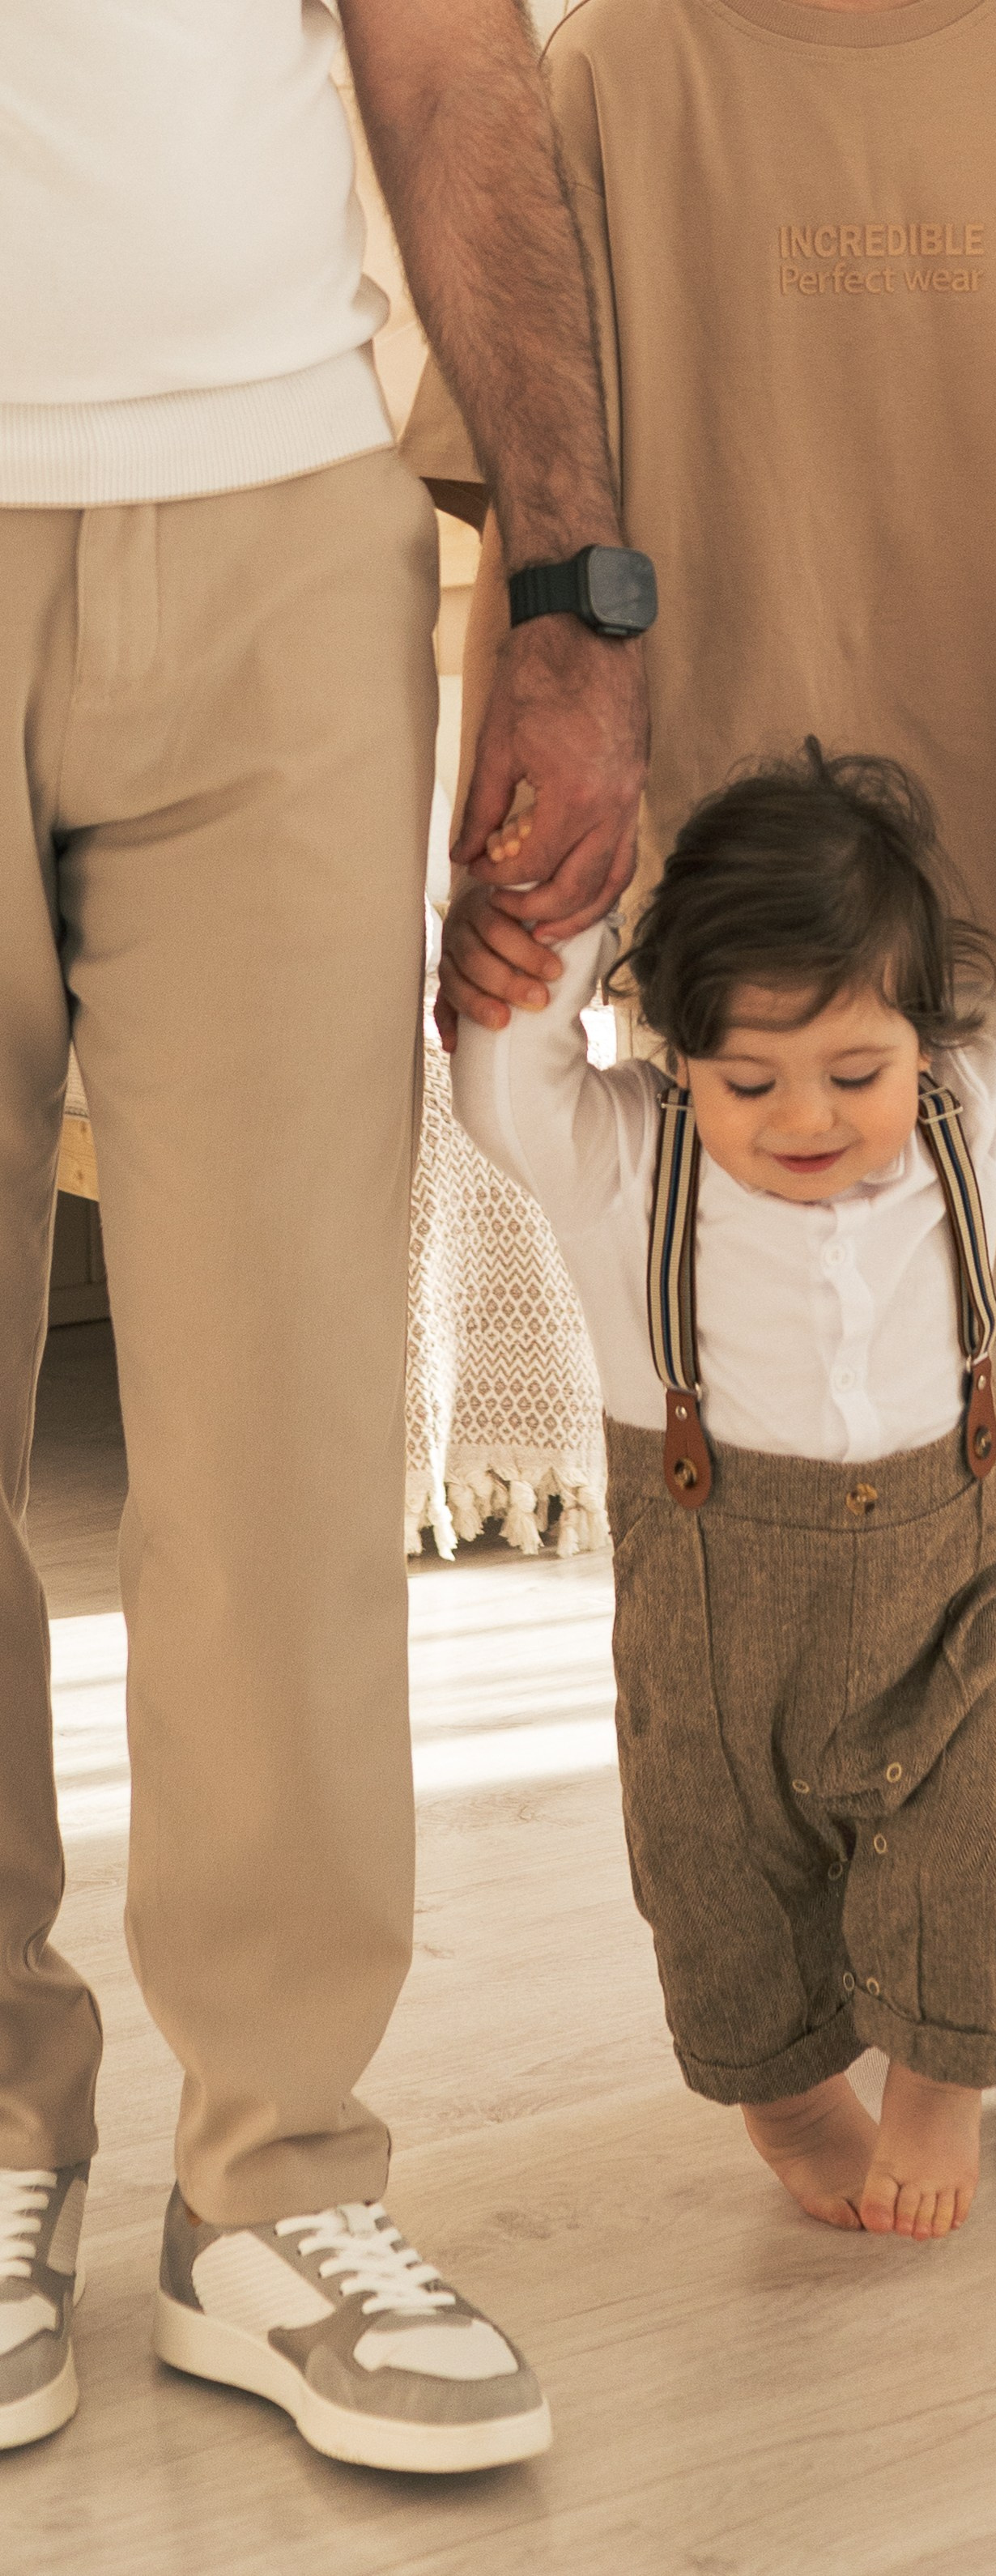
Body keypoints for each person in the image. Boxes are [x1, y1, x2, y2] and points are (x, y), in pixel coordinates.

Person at [412, 0, 996, 2187]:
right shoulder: (611, 74)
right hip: (724, 936)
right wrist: (501, 856)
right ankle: (814, 2004)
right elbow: (528, 513)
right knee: (750, 1520)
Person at [1, 0, 647, 2468]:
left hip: (283, 515)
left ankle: (276, 2174)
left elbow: (451, 65)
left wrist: (574, 585)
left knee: (281, 1421)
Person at [453, 732, 996, 2236]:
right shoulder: (626, 1164)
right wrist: (557, 916)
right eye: (745, 1079)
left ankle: (942, 2085)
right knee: (719, 1886)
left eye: (854, 1070)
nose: (806, 1120)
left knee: (984, 1835)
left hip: (943, 1592)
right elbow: (509, 1086)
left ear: (924, 1033)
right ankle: (785, 2097)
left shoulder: (977, 1113)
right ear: (673, 1056)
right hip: (718, 1642)